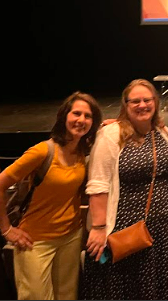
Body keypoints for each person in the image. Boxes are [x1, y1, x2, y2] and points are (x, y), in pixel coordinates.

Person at [0, 91, 102, 300]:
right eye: (76, 113)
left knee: (67, 295)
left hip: (71, 237)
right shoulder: (42, 151)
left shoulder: (83, 150)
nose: (81, 120)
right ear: (64, 116)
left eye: (88, 116)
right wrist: (7, 229)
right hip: (35, 241)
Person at [81, 78, 168, 300]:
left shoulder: (161, 132)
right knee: (125, 288)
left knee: (152, 287)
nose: (142, 105)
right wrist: (98, 227)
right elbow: (98, 183)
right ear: (126, 104)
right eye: (135, 101)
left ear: (155, 102)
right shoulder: (111, 135)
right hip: (124, 229)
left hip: (159, 229)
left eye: (147, 100)